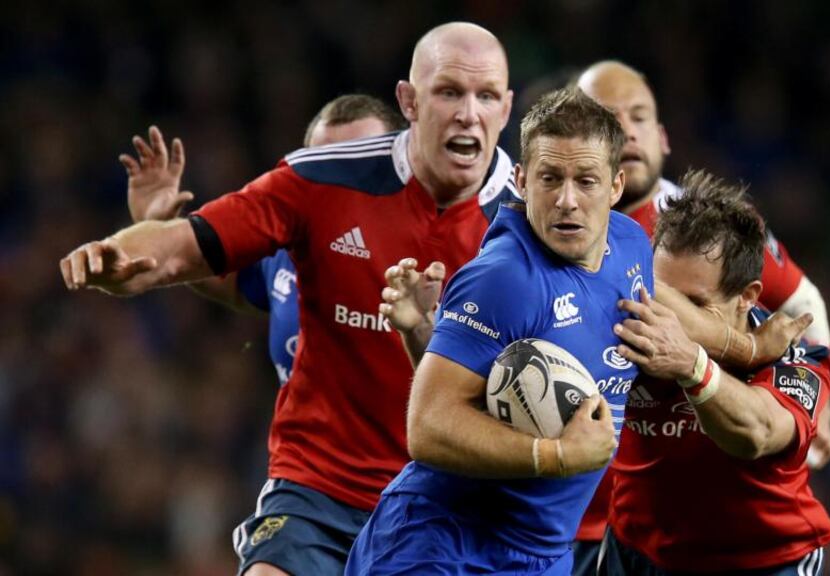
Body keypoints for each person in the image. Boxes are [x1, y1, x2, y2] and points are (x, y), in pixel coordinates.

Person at [59, 22, 517, 576]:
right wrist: (121, 255)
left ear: (507, 108)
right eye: (450, 92)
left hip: (448, 509)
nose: (469, 113)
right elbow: (187, 246)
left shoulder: (528, 227)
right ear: (410, 101)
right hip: (320, 492)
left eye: (485, 96)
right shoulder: (320, 183)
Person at [347, 87, 652, 575]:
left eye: (586, 181)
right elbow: (427, 428)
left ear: (616, 187)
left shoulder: (634, 247)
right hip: (442, 546)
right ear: (521, 180)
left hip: (544, 556)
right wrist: (554, 455)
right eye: (549, 179)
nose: (567, 201)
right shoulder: (506, 278)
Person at [570, 60, 830, 573]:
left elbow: (801, 310)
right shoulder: (558, 230)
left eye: (639, 115)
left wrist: (704, 362)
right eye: (607, 117)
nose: (625, 129)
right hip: (629, 541)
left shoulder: (792, 352)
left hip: (760, 558)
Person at [602, 169, 830, 575]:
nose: (667, 316)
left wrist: (693, 366)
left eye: (693, 302)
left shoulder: (796, 356)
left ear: (747, 297)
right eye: (661, 293)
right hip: (638, 552)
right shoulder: (628, 321)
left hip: (762, 560)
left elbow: (756, 433)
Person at [123, 95, 407, 386]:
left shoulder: (429, 261)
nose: (339, 185)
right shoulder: (291, 250)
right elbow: (232, 284)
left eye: (361, 164)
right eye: (324, 167)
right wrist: (158, 227)